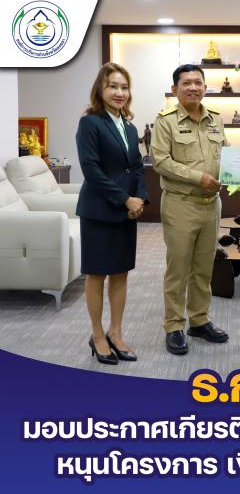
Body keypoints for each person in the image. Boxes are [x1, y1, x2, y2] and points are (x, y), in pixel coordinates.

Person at [151, 64, 229, 356]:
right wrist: (199, 178)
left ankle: (199, 320)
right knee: (179, 269)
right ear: (175, 89)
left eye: (198, 82)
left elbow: (226, 154)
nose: (193, 88)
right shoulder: (165, 121)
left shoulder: (216, 119)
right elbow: (160, 161)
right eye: (186, 83)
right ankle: (173, 325)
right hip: (180, 204)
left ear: (205, 87)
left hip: (211, 205)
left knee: (203, 268)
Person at [76, 62, 147, 365]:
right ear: (100, 89)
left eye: (124, 87)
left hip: (126, 212)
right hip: (99, 210)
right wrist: (124, 199)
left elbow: (137, 166)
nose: (120, 93)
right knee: (97, 274)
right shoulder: (90, 123)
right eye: (113, 86)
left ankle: (116, 333)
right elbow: (91, 170)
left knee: (120, 273)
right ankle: (97, 335)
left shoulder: (129, 127)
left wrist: (140, 198)